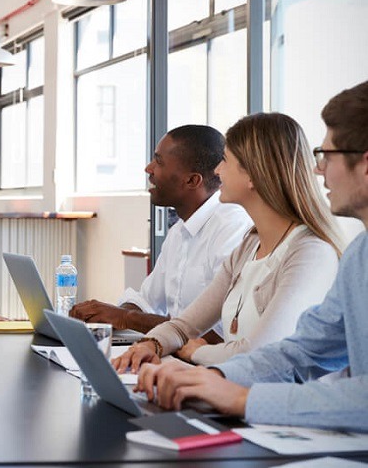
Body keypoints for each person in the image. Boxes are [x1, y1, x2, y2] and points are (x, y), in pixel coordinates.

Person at [134, 81, 368, 433]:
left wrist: (238, 395)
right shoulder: (359, 256)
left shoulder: (314, 252)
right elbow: (300, 353)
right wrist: (213, 379)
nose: (319, 169)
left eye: (327, 155)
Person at [114, 112, 341, 369]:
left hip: (270, 402)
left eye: (225, 161)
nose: (218, 171)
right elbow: (184, 326)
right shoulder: (249, 245)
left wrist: (196, 353)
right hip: (233, 390)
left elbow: (256, 354)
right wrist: (150, 344)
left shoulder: (309, 253)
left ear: (253, 176)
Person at [70, 125, 252, 338]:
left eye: (159, 161)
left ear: (192, 180)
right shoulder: (179, 232)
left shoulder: (232, 229)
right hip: (173, 356)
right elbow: (147, 301)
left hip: (205, 366)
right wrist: (103, 316)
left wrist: (125, 317)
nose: (149, 169)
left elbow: (220, 334)